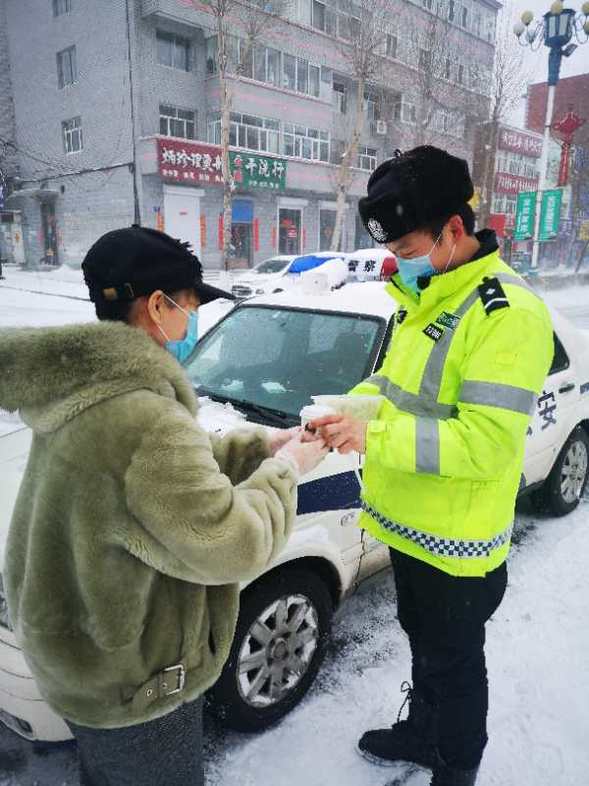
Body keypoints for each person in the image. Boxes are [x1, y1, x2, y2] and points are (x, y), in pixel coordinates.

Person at [0, 226, 327, 786]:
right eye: (192, 304)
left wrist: (260, 446)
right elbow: (233, 545)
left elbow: (145, 488)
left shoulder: (89, 388)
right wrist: (289, 468)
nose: (192, 320)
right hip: (138, 683)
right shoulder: (148, 419)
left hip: (83, 663)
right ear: (159, 305)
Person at [309, 147, 553, 786]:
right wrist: (334, 413)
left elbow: (486, 444)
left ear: (453, 230)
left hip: (458, 545)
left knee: (456, 666)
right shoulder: (423, 296)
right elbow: (390, 387)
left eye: (409, 247)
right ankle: (422, 734)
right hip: (412, 528)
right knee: (425, 648)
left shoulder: (507, 314)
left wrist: (373, 436)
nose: (399, 262)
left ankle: (455, 767)